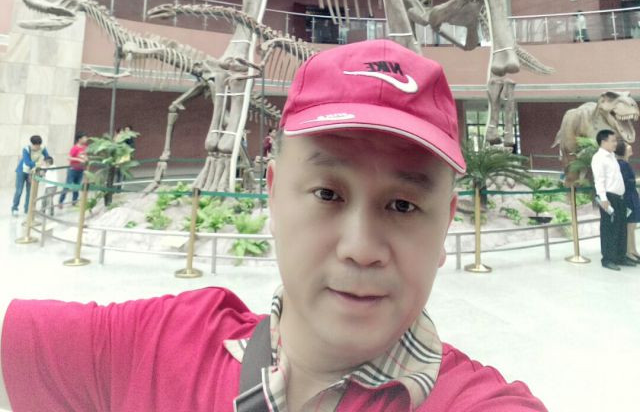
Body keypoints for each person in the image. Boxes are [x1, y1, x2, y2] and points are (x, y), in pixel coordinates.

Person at [0, 40, 547, 411]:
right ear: (272, 193)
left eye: (403, 205)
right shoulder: (160, 342)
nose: (361, 249)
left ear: (446, 224)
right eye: (327, 194)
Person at [591, 129, 633, 271]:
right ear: (603, 142)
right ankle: (608, 259)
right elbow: (599, 180)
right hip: (609, 198)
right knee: (609, 229)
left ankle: (620, 256)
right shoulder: (598, 158)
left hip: (620, 197)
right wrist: (603, 199)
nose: (616, 143)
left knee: (621, 228)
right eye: (613, 141)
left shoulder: (612, 156)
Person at [11, 135, 50, 216]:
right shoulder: (26, 149)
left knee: (30, 192)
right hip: (22, 171)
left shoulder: (42, 148)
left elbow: (48, 158)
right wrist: (39, 164)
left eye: (39, 145)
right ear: (32, 144)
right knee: (19, 191)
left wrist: (46, 165)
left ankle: (27, 209)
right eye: (36, 145)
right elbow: (27, 162)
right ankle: (15, 208)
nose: (37, 147)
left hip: (32, 172)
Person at [615, 140, 640, 263]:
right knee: (630, 226)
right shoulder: (622, 165)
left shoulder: (625, 163)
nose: (629, 146)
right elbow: (627, 182)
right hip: (628, 198)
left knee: (632, 225)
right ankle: (629, 251)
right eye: (626, 145)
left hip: (631, 197)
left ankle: (633, 250)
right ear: (623, 149)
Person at [57, 132, 89, 207]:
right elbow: (69, 157)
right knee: (67, 185)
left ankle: (74, 201)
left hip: (80, 170)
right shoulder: (75, 148)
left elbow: (85, 156)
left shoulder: (85, 147)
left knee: (77, 186)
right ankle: (61, 201)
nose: (86, 139)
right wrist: (78, 159)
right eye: (84, 138)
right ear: (79, 139)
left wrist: (86, 159)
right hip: (72, 170)